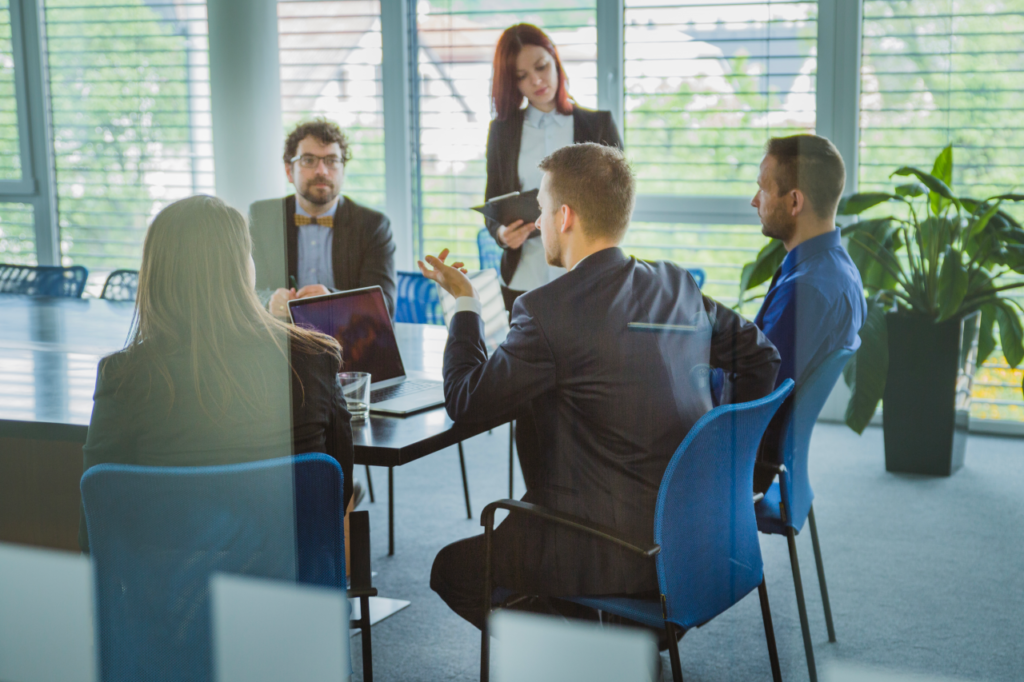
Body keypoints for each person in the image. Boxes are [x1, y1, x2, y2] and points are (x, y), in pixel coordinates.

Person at [420, 143, 780, 630]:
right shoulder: (677, 285)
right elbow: (762, 357)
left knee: (452, 571)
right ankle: (602, 636)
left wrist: (465, 305)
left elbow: (466, 401)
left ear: (564, 216)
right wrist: (721, 460)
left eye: (543, 211)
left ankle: (585, 651)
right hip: (695, 531)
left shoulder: (545, 311)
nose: (540, 223)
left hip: (604, 546)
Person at [79, 195, 354, 552]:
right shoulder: (314, 356)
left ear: (156, 273)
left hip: (171, 594)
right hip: (291, 586)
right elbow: (339, 487)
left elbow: (97, 515)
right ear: (243, 268)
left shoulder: (124, 375)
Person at [749, 134, 866, 493]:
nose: (755, 201)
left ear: (795, 201)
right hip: (778, 456)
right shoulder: (839, 269)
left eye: (764, 190)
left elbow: (752, 393)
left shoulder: (806, 291)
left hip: (743, 459)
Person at [484, 23, 623, 313]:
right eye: (522, 76)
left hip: (587, 278)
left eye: (541, 67)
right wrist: (501, 235)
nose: (536, 81)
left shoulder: (598, 126)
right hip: (523, 278)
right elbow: (493, 204)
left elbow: (620, 202)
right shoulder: (502, 132)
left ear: (555, 60)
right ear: (513, 84)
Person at [250, 118, 397, 319]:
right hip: (280, 342)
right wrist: (269, 301)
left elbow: (384, 304)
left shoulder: (374, 226)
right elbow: (244, 291)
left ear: (343, 170)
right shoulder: (261, 217)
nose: (321, 171)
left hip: (348, 340)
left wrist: (334, 301)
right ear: (289, 171)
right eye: (308, 160)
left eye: (331, 161)